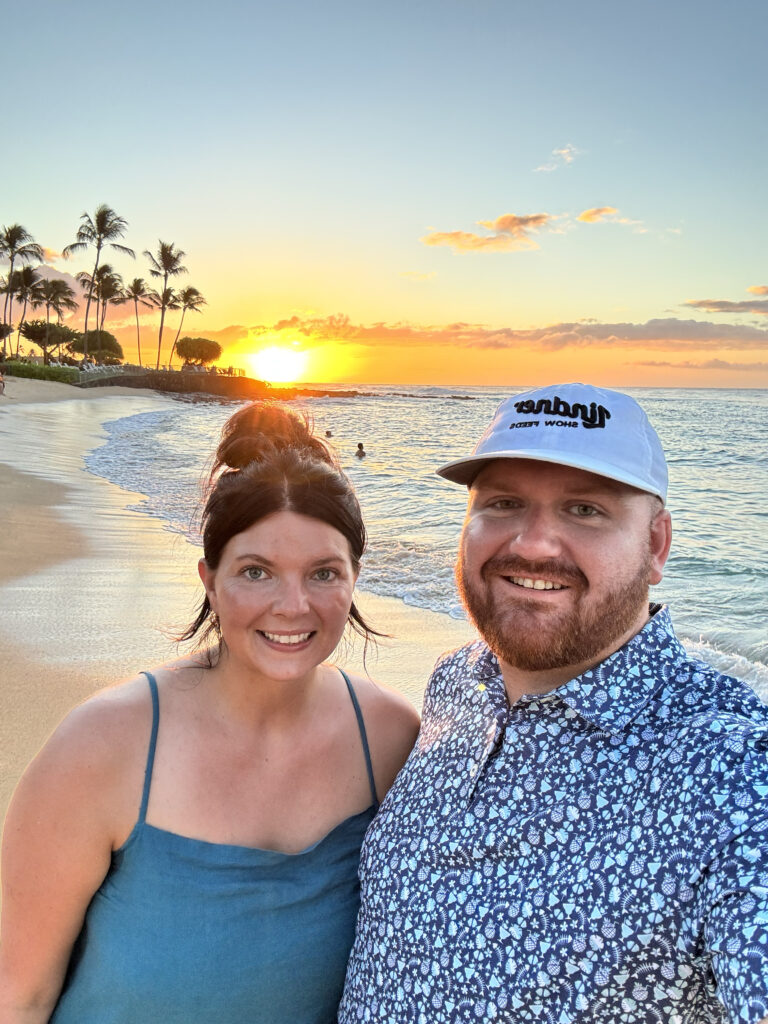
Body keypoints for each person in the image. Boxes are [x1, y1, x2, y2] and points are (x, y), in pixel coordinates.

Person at [340, 383, 768, 1023]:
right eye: (504, 504)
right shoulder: (456, 681)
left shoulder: (732, 768)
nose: (534, 545)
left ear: (656, 546)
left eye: (585, 510)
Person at [0, 402, 419, 1024]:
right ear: (209, 578)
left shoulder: (388, 736)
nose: (292, 605)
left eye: (323, 573)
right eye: (256, 572)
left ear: (355, 578)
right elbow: (19, 995)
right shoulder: (106, 743)